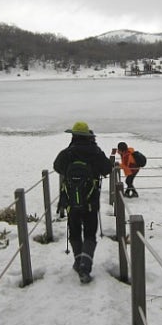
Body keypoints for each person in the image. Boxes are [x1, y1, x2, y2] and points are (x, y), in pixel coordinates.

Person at [53, 121, 112, 284]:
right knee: (90, 233)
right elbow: (107, 169)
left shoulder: (67, 153)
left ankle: (78, 261)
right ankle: (85, 267)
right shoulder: (95, 152)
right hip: (91, 200)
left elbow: (57, 167)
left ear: (73, 136)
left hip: (71, 200)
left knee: (74, 231)